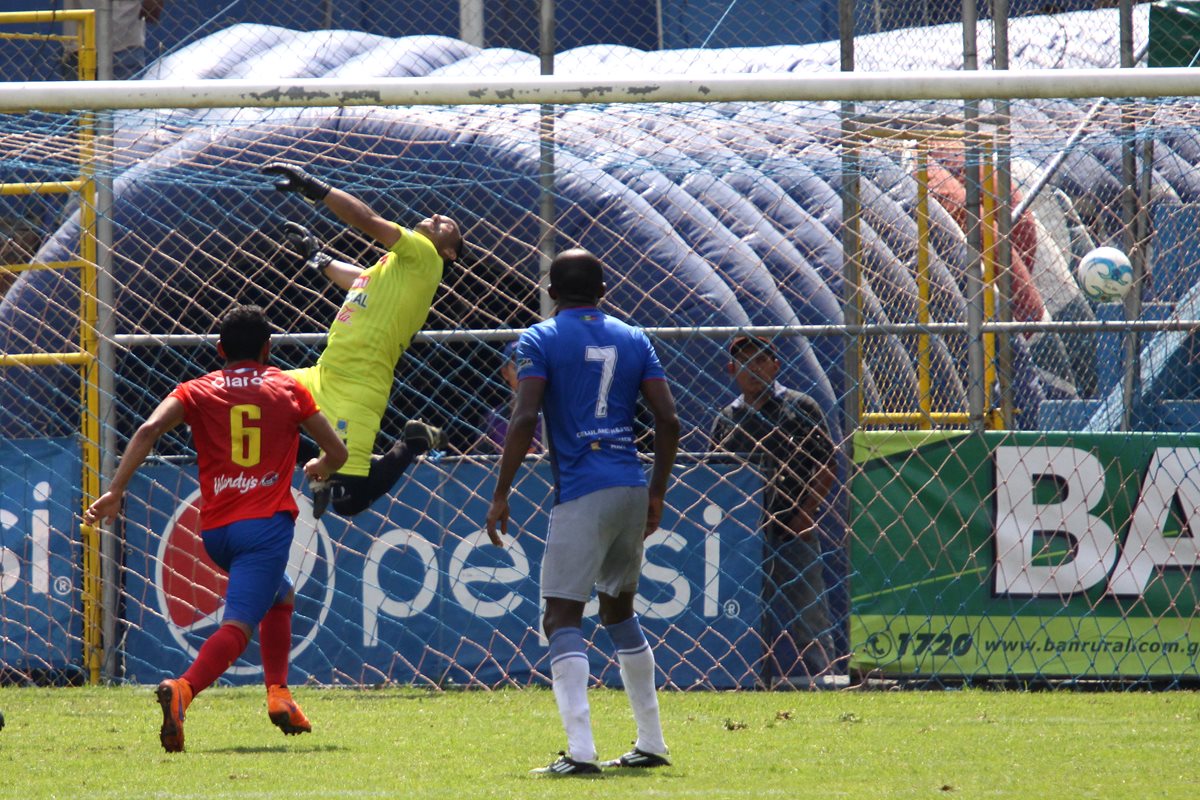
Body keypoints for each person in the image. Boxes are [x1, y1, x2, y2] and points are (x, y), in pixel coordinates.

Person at [83, 305, 348, 752]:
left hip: (217, 533)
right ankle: (183, 690)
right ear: (268, 349)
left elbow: (148, 429)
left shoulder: (195, 390)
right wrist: (320, 465)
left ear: (220, 349)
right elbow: (337, 452)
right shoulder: (288, 388)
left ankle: (279, 695)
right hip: (265, 527)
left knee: (280, 594)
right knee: (239, 626)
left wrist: (115, 491)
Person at [486, 249, 680, 776]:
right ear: (604, 289)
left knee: (560, 615)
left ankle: (580, 753)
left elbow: (525, 415)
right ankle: (652, 742)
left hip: (582, 489)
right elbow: (667, 419)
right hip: (631, 485)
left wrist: (501, 492)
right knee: (618, 610)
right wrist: (657, 491)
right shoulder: (635, 337)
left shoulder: (539, 338)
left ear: (551, 291)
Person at [261, 162, 460, 518]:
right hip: (322, 372)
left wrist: (316, 189)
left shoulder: (426, 257)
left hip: (358, 386)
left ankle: (413, 441)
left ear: (450, 253)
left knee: (348, 502)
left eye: (446, 225)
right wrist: (318, 258)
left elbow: (367, 220)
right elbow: (358, 279)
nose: (435, 217)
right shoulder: (397, 269)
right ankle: (320, 466)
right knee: (249, 392)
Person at [709, 334, 837, 686]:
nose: (754, 369)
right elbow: (715, 476)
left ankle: (823, 678)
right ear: (732, 370)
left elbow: (826, 464)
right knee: (739, 611)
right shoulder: (726, 419)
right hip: (743, 537)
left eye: (761, 360)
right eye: (745, 363)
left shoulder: (801, 407)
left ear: (776, 365)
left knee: (809, 611)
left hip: (793, 528)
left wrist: (806, 513)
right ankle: (737, 678)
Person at [60, 1, 165, 80]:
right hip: (123, 37)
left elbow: (152, 7)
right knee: (124, 105)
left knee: (78, 104)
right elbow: (152, 8)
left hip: (79, 40)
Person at [480, 341, 543, 454]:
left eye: (530, 365)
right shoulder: (493, 419)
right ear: (505, 373)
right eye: (518, 366)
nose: (524, 373)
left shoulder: (551, 414)